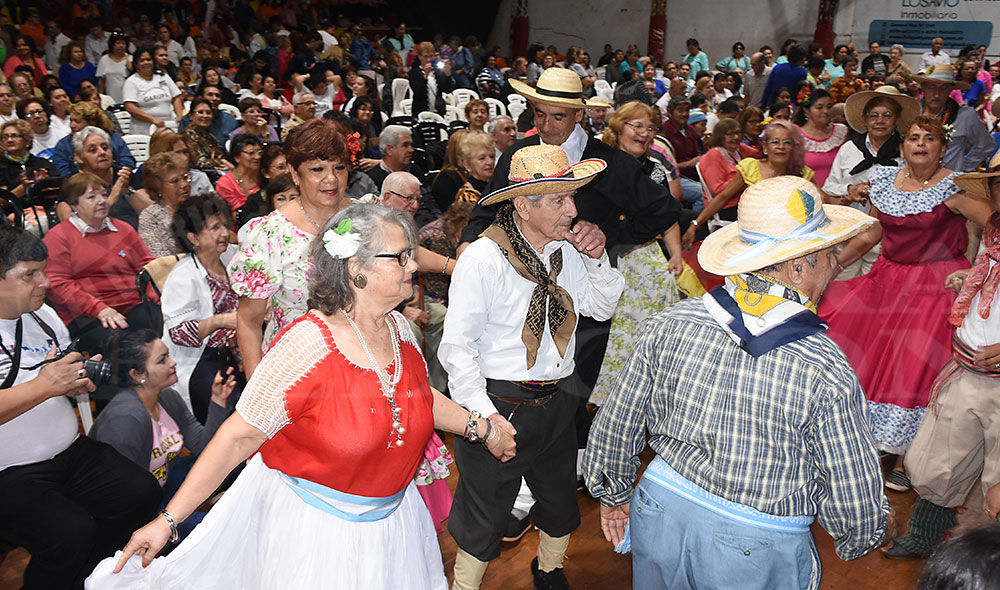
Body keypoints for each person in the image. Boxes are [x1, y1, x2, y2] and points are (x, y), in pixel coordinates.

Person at [88, 203, 515, 589]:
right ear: (355, 269)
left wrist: (480, 427)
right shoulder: (309, 343)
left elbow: (417, 396)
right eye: (400, 256)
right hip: (318, 536)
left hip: (393, 524)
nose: (412, 265)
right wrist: (166, 521)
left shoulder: (398, 329)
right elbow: (238, 437)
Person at [584, 174, 890, 589]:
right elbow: (850, 488)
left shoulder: (673, 321)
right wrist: (862, 534)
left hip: (660, 505)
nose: (837, 263)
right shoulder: (822, 365)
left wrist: (614, 493)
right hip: (754, 538)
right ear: (799, 266)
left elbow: (617, 421)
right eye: (830, 253)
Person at [440, 144, 625, 590]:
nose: (573, 209)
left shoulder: (568, 253)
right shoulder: (483, 260)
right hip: (499, 400)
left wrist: (598, 257)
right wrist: (486, 419)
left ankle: (549, 569)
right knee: (485, 511)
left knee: (560, 496)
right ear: (523, 206)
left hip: (558, 399)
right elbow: (457, 349)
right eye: (559, 199)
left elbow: (600, 307)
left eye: (572, 197)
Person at [820, 116, 994, 490]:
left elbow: (993, 230)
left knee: (915, 368)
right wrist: (834, 265)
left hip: (936, 285)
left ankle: (907, 458)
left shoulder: (954, 188)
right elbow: (871, 235)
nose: (920, 143)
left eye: (929, 138)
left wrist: (982, 275)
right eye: (913, 137)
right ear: (902, 148)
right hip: (887, 281)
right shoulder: (885, 183)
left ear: (942, 148)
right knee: (865, 359)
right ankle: (872, 443)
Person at [0, 225, 162, 590]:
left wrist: (76, 382)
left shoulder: (44, 317)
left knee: (140, 492)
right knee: (70, 533)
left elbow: (61, 381)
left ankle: (89, 576)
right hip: (8, 471)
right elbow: (44, 385)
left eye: (44, 270)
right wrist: (45, 386)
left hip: (68, 451)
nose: (45, 282)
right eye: (30, 274)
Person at [882, 154, 1000, 558]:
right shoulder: (994, 233)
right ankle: (927, 536)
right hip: (967, 371)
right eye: (998, 184)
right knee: (938, 464)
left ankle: (987, 565)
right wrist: (971, 278)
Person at [228, 119, 353, 376]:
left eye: (339, 167)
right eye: (317, 169)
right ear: (295, 174)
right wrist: (256, 392)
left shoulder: (366, 217)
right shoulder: (269, 234)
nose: (331, 178)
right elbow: (249, 321)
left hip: (362, 358)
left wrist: (452, 266)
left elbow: (409, 253)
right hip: (298, 367)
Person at [590, 102, 684, 407]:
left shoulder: (654, 170)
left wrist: (676, 254)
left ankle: (643, 389)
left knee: (663, 290)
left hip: (641, 250)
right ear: (618, 127)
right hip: (601, 252)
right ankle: (600, 393)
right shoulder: (597, 164)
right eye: (636, 125)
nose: (643, 133)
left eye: (650, 128)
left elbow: (666, 216)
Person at [88, 328, 236, 509]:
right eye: (162, 360)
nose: (173, 362)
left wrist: (218, 401)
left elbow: (202, 447)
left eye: (168, 356)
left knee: (230, 464)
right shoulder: (125, 420)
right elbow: (121, 495)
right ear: (137, 375)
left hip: (161, 490)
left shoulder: (167, 397)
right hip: (137, 510)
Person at [161, 195, 241, 421]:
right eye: (214, 228)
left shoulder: (232, 256)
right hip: (203, 357)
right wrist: (221, 320)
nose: (225, 233)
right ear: (193, 237)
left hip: (237, 348)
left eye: (225, 225)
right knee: (230, 406)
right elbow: (179, 334)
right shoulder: (183, 276)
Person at [824, 86, 917, 279]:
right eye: (873, 115)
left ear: (897, 120)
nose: (880, 121)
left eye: (887, 115)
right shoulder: (849, 148)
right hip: (846, 236)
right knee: (841, 292)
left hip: (888, 242)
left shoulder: (906, 152)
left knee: (876, 297)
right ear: (865, 120)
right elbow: (829, 188)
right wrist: (849, 190)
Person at [682, 119, 816, 248]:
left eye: (787, 142)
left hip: (793, 234)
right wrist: (695, 224)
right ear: (765, 147)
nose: (781, 147)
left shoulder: (802, 173)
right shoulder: (750, 167)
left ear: (794, 147)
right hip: (756, 235)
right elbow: (722, 197)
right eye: (775, 142)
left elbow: (824, 201)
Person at [913, 63, 995, 172]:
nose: (936, 94)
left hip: (949, 180)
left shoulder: (965, 115)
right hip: (913, 178)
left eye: (943, 88)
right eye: (932, 87)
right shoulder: (911, 111)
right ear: (923, 87)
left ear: (951, 90)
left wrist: (963, 166)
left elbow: (986, 145)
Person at [52, 100, 136, 176]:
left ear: (92, 124)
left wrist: (115, 176)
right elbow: (62, 172)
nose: (72, 125)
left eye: (77, 121)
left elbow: (127, 161)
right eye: (71, 120)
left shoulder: (115, 140)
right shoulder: (63, 145)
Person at [137, 152, 192, 257]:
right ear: (158, 188)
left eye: (185, 177)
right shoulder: (150, 218)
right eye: (175, 181)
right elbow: (162, 261)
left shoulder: (196, 206)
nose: (184, 185)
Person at [122, 47, 183, 135]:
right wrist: (152, 119)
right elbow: (129, 106)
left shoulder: (163, 76)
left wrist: (179, 116)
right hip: (143, 128)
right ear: (135, 64)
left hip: (168, 125)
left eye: (148, 59)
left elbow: (176, 97)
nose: (146, 63)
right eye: (142, 60)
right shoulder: (131, 81)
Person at [794, 86, 847, 186]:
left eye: (829, 106)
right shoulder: (796, 135)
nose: (826, 111)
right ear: (806, 111)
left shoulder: (841, 132)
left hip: (838, 195)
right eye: (819, 107)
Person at [660, 95, 705, 211]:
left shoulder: (689, 129)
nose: (685, 114)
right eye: (680, 110)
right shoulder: (665, 131)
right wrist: (689, 164)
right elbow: (664, 168)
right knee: (702, 194)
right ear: (670, 112)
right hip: (673, 178)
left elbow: (697, 154)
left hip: (693, 174)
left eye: (687, 110)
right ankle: (692, 225)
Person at [0, 118, 58, 199]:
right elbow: (2, 202)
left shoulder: (43, 164)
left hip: (43, 208)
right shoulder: (2, 166)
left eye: (15, 136)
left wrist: (43, 184)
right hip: (14, 210)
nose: (9, 140)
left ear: (27, 141)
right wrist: (23, 188)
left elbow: (60, 192)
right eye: (5, 137)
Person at [181, 97, 232, 172]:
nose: (205, 116)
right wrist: (222, 162)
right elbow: (199, 163)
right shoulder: (187, 134)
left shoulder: (208, 135)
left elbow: (220, 155)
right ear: (191, 115)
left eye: (208, 113)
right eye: (200, 112)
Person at [366, 124, 420, 191]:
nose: (411, 150)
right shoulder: (372, 179)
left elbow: (429, 199)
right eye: (405, 145)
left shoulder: (416, 171)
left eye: (411, 145)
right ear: (389, 150)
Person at [409, 41, 454, 116]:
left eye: (431, 56)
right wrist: (426, 75)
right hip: (421, 112)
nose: (429, 59)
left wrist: (447, 74)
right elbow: (418, 92)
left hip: (438, 112)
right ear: (419, 56)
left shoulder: (438, 72)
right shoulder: (414, 72)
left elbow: (447, 90)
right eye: (426, 56)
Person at [452, 131, 495, 205]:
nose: (490, 162)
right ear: (467, 165)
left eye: (492, 156)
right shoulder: (466, 195)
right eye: (482, 158)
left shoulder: (498, 185)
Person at [96, 32, 131, 103]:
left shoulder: (131, 59)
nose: (121, 46)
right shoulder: (104, 59)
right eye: (118, 43)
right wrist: (101, 97)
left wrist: (131, 69)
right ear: (112, 44)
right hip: (110, 96)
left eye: (123, 43)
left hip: (127, 96)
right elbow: (101, 81)